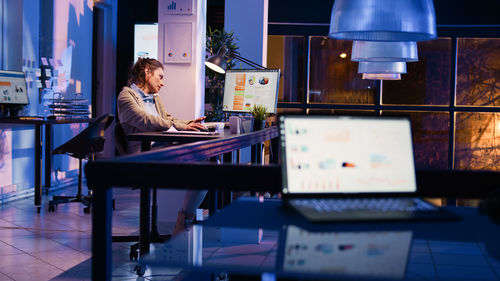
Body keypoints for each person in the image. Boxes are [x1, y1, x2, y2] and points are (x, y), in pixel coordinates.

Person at [117, 58, 207, 235]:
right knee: (205, 163)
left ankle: (184, 219)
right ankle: (184, 222)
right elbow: (145, 120)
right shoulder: (126, 96)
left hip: (160, 148)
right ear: (147, 73)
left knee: (210, 162)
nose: (163, 83)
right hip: (142, 155)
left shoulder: (154, 98)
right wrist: (176, 127)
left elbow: (168, 118)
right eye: (160, 77)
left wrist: (189, 124)